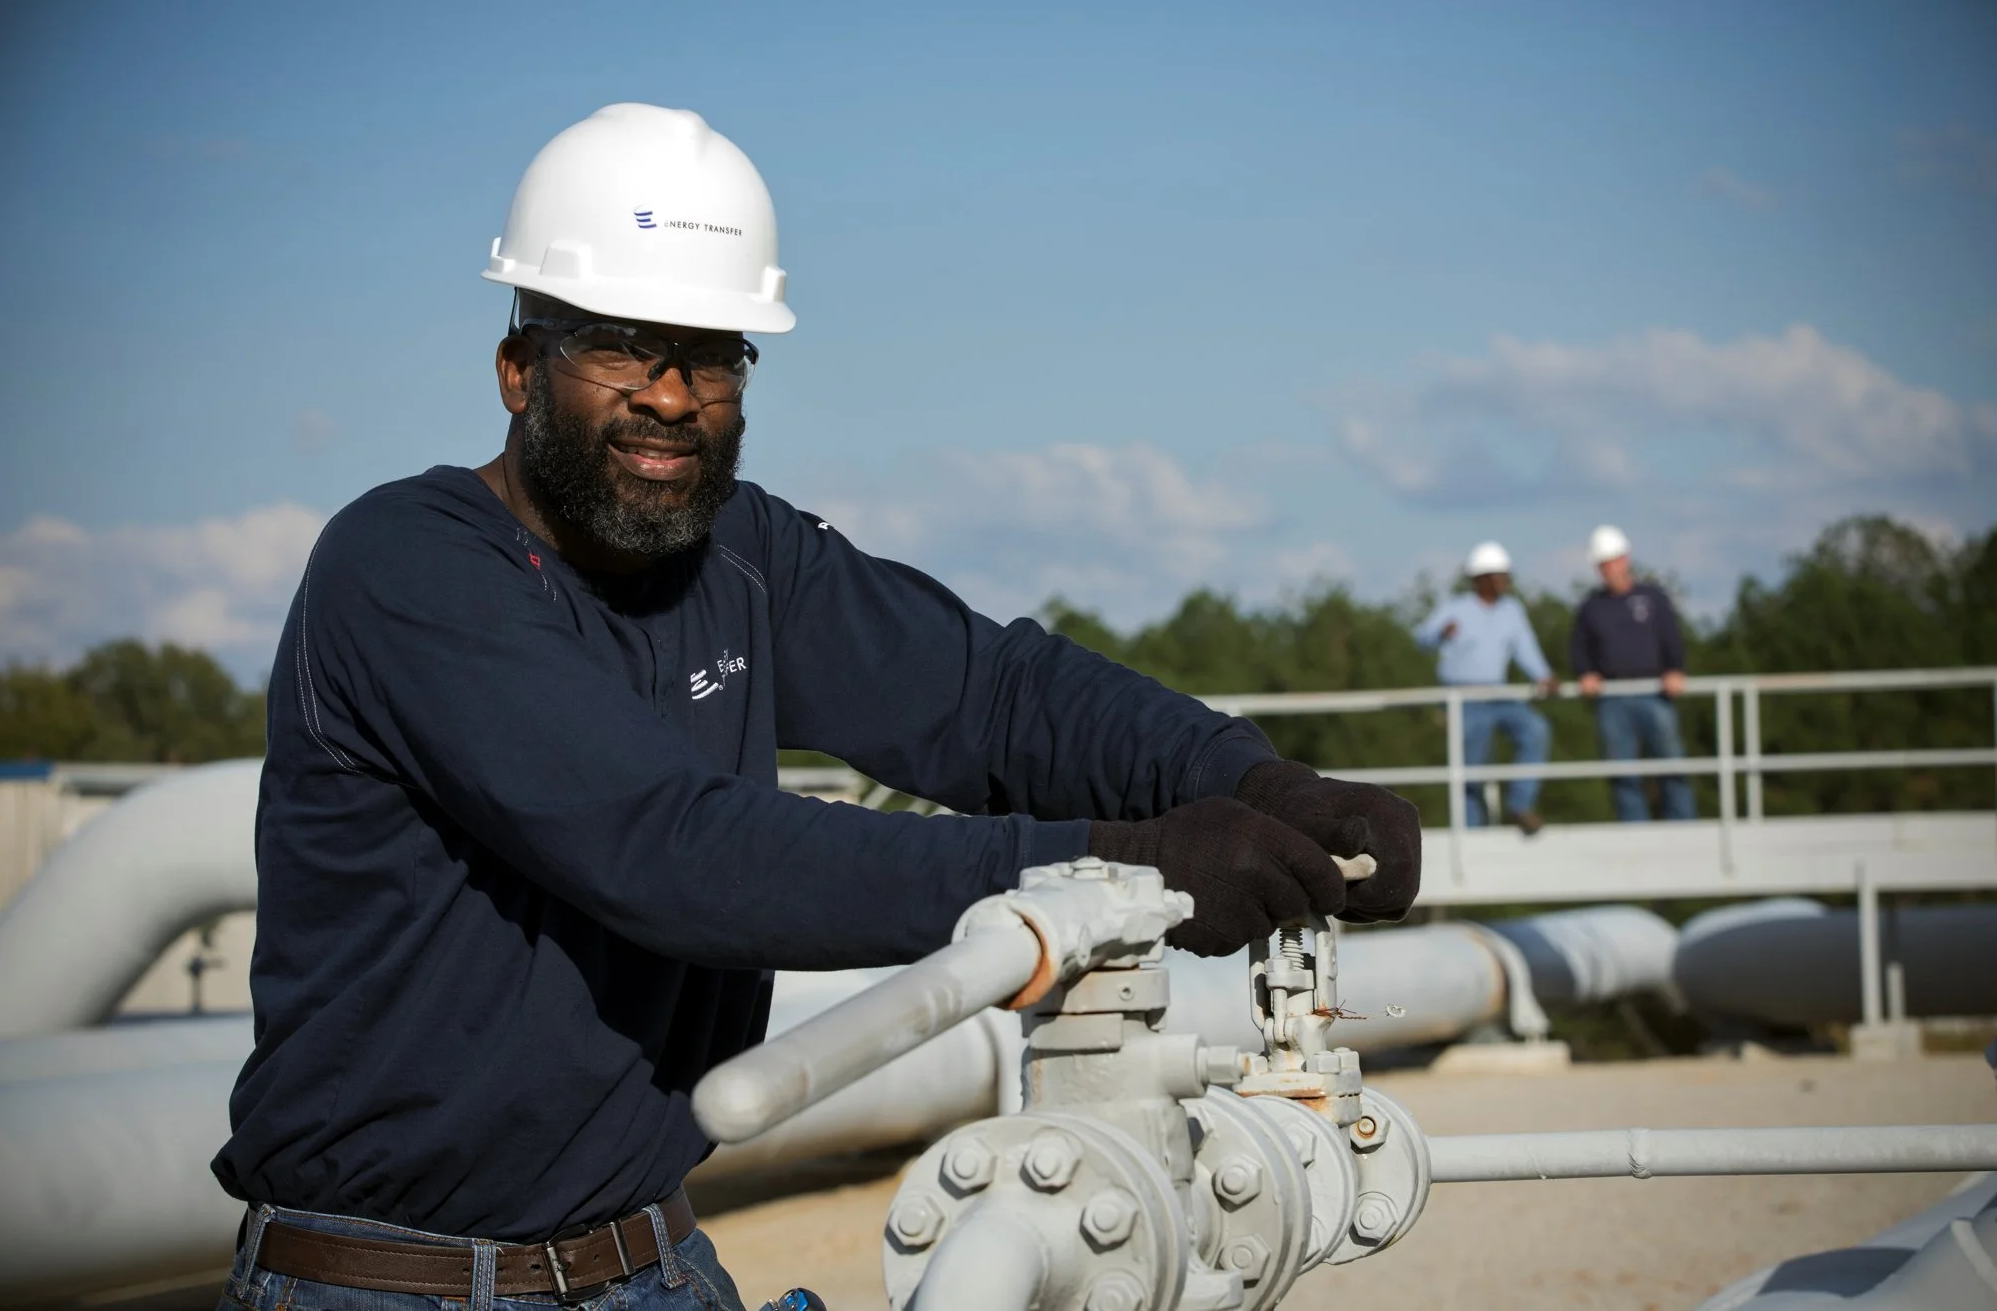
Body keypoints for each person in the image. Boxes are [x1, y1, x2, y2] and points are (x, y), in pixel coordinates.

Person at [209, 104, 1421, 1311]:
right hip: (391, 1282)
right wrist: (1120, 865)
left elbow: (991, 696)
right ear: (519, 367)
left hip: (654, 1259)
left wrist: (1244, 778)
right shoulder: (407, 568)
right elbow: (674, 850)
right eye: (622, 346)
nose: (673, 396)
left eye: (713, 352)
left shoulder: (735, 552)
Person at [1414, 541, 1558, 836]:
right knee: (1471, 767)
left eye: (1505, 574)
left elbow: (1525, 649)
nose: (1504, 580)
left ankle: (1520, 806)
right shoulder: (1456, 608)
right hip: (1463, 698)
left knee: (1536, 730)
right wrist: (1440, 634)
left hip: (1499, 694)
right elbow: (1421, 637)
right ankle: (1473, 831)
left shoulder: (1512, 611)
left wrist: (1544, 675)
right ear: (1479, 579)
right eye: (1496, 574)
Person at [1570, 524, 1694, 821]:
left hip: (1655, 692)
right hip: (1612, 697)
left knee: (1671, 763)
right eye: (1602, 564)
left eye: (1611, 561)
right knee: (1622, 770)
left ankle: (1683, 826)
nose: (1608, 569)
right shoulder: (1592, 607)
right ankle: (1634, 831)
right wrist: (1586, 673)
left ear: (1625, 559)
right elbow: (1579, 647)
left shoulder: (1652, 597)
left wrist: (1675, 669)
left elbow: (1671, 637)